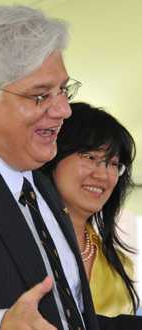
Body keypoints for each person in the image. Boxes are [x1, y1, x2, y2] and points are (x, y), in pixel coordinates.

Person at [0, 5, 141, 330]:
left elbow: (70, 320)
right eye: (40, 96)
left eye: (63, 90)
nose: (64, 110)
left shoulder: (36, 182)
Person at [41, 102, 140, 317]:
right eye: (90, 157)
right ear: (53, 154)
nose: (103, 175)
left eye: (113, 163)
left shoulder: (121, 265)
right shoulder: (21, 240)